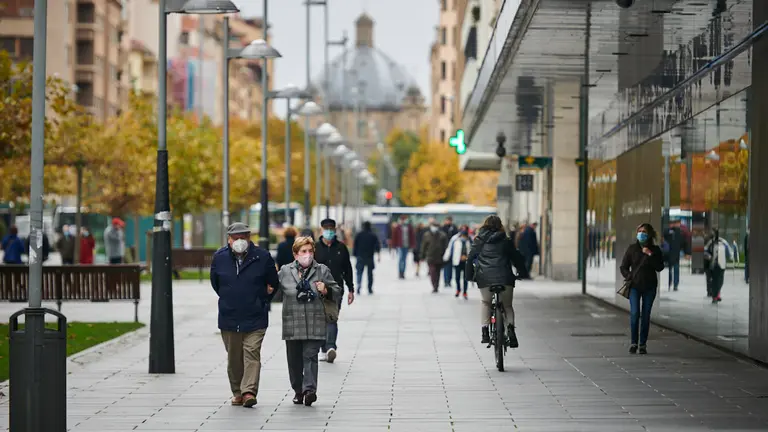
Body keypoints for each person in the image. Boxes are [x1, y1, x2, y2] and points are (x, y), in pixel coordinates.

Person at [210, 222, 278, 408]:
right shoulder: (220, 257)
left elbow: (273, 282)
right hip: (229, 316)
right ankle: (237, 392)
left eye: (243, 237)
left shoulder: (262, 257)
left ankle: (248, 391)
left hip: (255, 316)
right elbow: (216, 283)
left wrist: (262, 300)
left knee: (252, 353)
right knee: (234, 358)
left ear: (249, 238)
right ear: (229, 240)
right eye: (236, 238)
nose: (240, 241)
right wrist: (229, 298)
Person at [277, 236, 341, 406]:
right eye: (303, 251)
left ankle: (310, 390)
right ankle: (298, 390)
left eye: (310, 251)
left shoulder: (322, 270)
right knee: (294, 361)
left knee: (310, 356)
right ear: (295, 254)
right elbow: (274, 292)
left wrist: (326, 289)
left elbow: (337, 291)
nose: (308, 255)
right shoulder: (285, 271)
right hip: (293, 323)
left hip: (315, 321)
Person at [465, 215, 528, 347]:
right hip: (505, 278)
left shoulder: (479, 240)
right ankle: (511, 330)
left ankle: (485, 332)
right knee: (508, 306)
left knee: (486, 303)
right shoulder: (506, 240)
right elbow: (517, 258)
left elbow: (470, 259)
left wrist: (469, 276)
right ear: (500, 226)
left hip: (485, 278)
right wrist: (522, 272)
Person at [620, 223, 665, 355]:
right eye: (639, 231)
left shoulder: (655, 250)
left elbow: (660, 267)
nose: (641, 233)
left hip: (649, 287)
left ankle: (643, 344)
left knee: (645, 316)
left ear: (649, 234)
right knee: (635, 314)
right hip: (634, 286)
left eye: (644, 231)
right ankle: (634, 342)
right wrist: (629, 276)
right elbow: (623, 266)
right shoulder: (632, 249)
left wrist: (650, 254)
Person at [314, 219, 354, 363]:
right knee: (319, 319)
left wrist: (351, 289)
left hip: (335, 289)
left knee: (331, 317)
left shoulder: (341, 248)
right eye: (326, 228)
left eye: (331, 228)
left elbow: (347, 269)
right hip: (317, 289)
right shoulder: (315, 248)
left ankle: (330, 347)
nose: (329, 231)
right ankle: (323, 348)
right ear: (321, 230)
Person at [420, 219, 449, 293]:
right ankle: (434, 285)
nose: (434, 227)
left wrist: (446, 256)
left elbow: (446, 246)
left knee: (438, 272)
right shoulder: (426, 235)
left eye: (436, 226)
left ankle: (436, 286)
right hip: (430, 257)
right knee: (432, 272)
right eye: (433, 226)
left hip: (440, 257)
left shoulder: (443, 235)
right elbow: (423, 246)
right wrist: (422, 256)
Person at [352, 221, 381, 295]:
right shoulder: (373, 235)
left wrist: (355, 255)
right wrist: (378, 255)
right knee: (370, 274)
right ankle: (369, 288)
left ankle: (358, 286)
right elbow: (377, 246)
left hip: (360, 256)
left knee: (359, 273)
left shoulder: (359, 235)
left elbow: (355, 245)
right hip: (369, 257)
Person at [704, 227, 730, 303]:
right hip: (714, 264)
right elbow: (705, 251)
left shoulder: (723, 242)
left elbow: (728, 253)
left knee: (720, 281)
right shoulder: (711, 242)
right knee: (716, 280)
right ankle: (715, 296)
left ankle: (716, 294)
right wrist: (709, 257)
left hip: (721, 264)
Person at [444, 228, 471, 298]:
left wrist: (467, 257)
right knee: (457, 278)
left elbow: (471, 252)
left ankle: (465, 292)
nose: (463, 237)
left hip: (466, 262)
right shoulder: (455, 241)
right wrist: (446, 258)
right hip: (457, 262)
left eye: (465, 236)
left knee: (466, 278)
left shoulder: (469, 242)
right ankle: (458, 290)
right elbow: (451, 250)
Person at [663, 219, 684, 291]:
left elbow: (683, 242)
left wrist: (686, 252)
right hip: (669, 254)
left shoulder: (679, 232)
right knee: (670, 270)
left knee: (676, 269)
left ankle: (675, 284)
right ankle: (670, 283)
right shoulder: (668, 232)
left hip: (676, 254)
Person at [441, 217, 459, 287]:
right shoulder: (443, 228)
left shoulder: (454, 228)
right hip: (445, 250)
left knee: (451, 267)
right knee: (446, 266)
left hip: (452, 250)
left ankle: (449, 281)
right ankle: (446, 281)